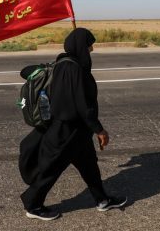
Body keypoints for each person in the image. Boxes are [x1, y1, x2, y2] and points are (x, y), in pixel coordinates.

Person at [19, 28, 127, 221]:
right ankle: (33, 205)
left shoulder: (64, 63)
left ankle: (102, 200)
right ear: (81, 46)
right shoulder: (73, 68)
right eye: (89, 45)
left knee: (89, 166)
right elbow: (82, 105)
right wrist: (99, 129)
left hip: (78, 132)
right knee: (51, 169)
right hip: (66, 130)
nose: (92, 49)